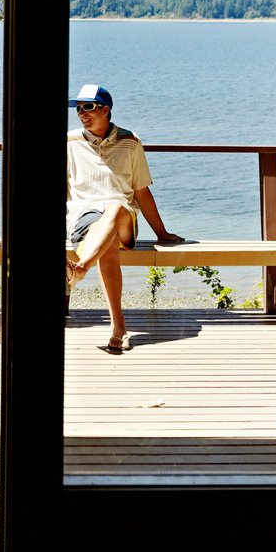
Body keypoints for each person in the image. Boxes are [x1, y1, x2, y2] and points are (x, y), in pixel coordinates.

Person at [65, 83, 182, 354]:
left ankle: (80, 269)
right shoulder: (69, 142)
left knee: (117, 208)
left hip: (123, 218)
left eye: (89, 107)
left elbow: (141, 190)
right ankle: (118, 326)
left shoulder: (130, 141)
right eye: (79, 109)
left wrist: (161, 233)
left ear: (106, 110)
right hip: (85, 218)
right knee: (108, 248)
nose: (82, 113)